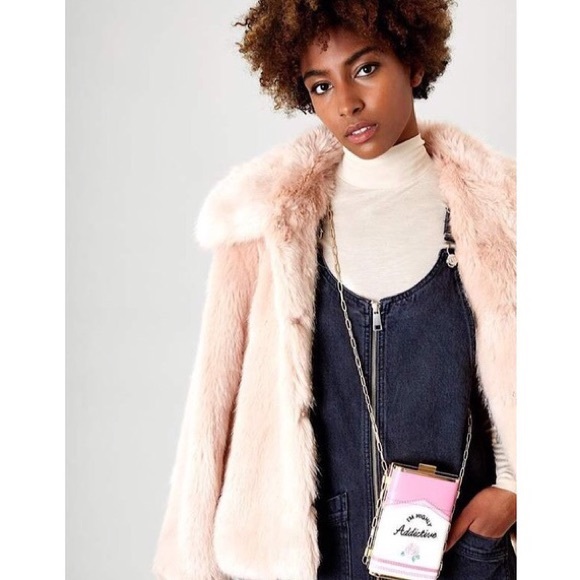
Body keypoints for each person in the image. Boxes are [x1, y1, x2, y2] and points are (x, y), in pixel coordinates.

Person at [152, 1, 516, 579]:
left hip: (462, 552)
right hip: (314, 556)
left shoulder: (504, 210)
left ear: (413, 63)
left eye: (366, 68)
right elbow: (210, 415)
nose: (346, 103)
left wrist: (516, 488)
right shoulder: (266, 224)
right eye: (320, 86)